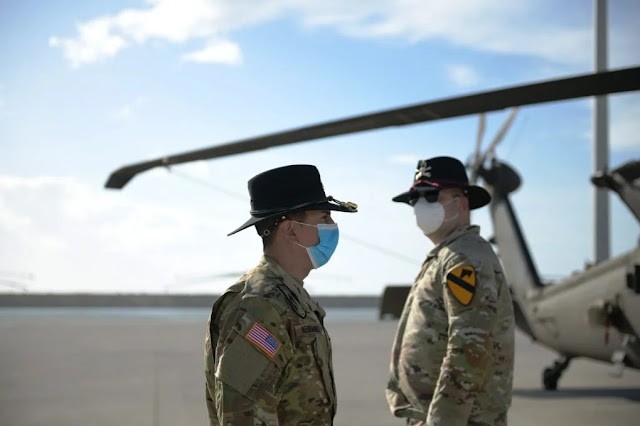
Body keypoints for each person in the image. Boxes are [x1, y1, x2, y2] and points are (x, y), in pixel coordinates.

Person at [204, 164, 357, 426]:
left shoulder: (289, 296)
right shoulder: (261, 306)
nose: (333, 226)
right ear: (290, 230)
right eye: (324, 218)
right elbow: (241, 413)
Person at [386, 156, 515, 426]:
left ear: (462, 202)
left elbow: (469, 347)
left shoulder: (464, 258)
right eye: (415, 199)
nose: (421, 205)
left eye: (431, 195)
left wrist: (443, 421)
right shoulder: (448, 254)